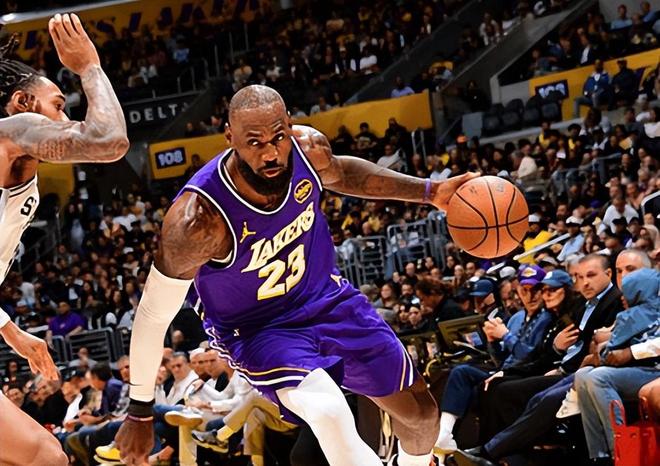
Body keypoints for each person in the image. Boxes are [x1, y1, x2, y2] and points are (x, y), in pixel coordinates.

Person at [115, 84, 478, 466]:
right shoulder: (198, 221)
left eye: (278, 137)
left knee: (421, 415)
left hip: (326, 298)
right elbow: (153, 315)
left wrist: (430, 191)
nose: (270, 153)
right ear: (229, 137)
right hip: (259, 328)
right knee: (327, 409)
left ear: (289, 126)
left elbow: (342, 173)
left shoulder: (308, 149)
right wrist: (139, 409)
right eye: (254, 142)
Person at [0, 13, 128, 466]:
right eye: (58, 105)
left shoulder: (21, 177)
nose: (65, 118)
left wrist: (10, 330)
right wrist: (89, 67)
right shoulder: (9, 132)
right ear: (22, 103)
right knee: (47, 457)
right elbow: (109, 140)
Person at [574, 267, 659, 464]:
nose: (622, 297)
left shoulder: (632, 315)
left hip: (652, 370)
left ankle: (619, 451)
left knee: (597, 377)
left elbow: (609, 354)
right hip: (640, 370)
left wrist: (603, 350)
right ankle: (598, 455)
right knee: (582, 375)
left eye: (627, 291)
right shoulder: (640, 311)